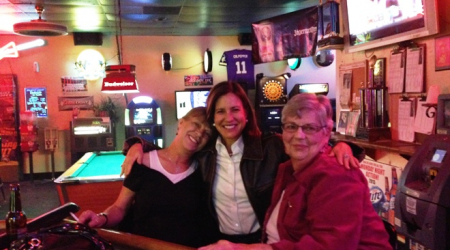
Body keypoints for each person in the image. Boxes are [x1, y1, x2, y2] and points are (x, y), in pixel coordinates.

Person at [121, 81, 363, 245]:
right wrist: (136, 144)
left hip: (261, 242)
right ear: (213, 119)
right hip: (218, 241)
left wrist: (342, 146)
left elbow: (306, 146)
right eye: (220, 111)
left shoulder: (272, 147)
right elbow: (173, 152)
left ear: (247, 114)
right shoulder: (205, 151)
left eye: (235, 109)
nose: (229, 118)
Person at [198, 93, 392, 250]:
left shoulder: (336, 174)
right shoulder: (288, 168)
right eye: (291, 127)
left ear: (326, 132)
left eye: (309, 128)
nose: (298, 135)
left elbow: (330, 245)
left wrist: (342, 145)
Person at [78, 107, 212, 248]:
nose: (200, 133)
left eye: (207, 133)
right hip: (143, 247)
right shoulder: (143, 162)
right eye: (196, 124)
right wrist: (102, 217)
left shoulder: (204, 171)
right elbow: (120, 208)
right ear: (180, 123)